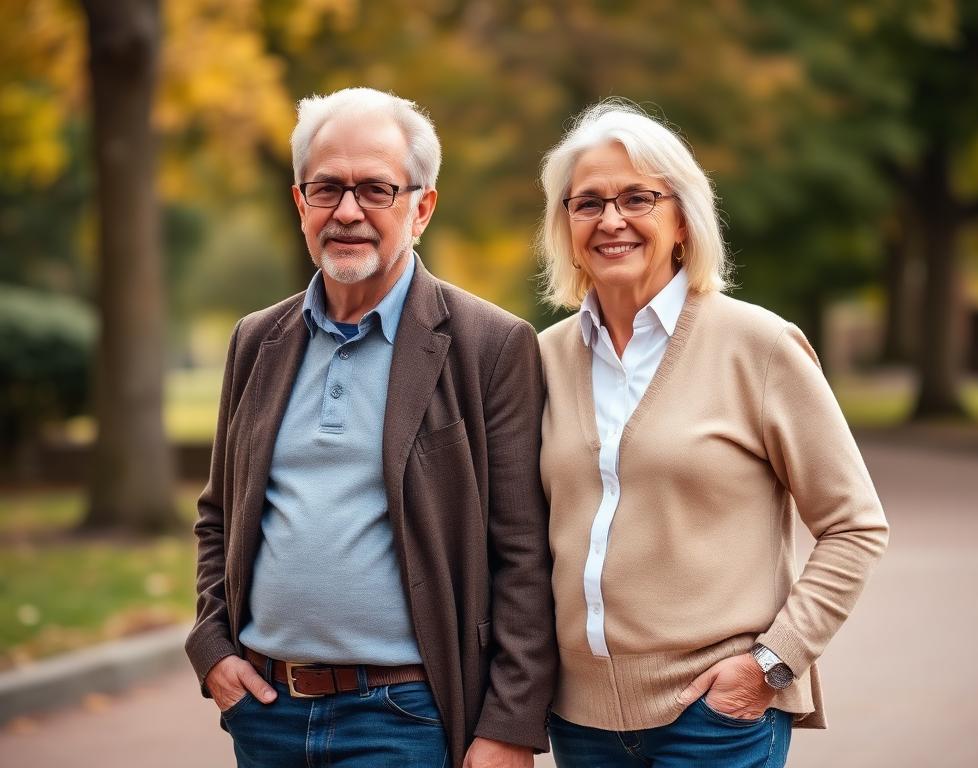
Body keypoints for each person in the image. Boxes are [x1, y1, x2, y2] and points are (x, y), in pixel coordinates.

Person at [185, 87, 556, 768]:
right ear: (300, 203)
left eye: (376, 189)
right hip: (265, 712)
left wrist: (509, 724)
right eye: (326, 188)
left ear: (421, 207)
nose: (348, 212)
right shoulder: (255, 339)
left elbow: (524, 554)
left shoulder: (491, 345)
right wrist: (211, 649)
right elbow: (219, 515)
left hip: (405, 716)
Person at [535, 100, 889, 768]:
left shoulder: (758, 346)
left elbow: (855, 525)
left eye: (637, 198)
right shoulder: (542, 358)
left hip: (713, 719)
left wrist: (770, 664)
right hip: (577, 721)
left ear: (682, 219)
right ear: (565, 225)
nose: (611, 220)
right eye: (587, 203)